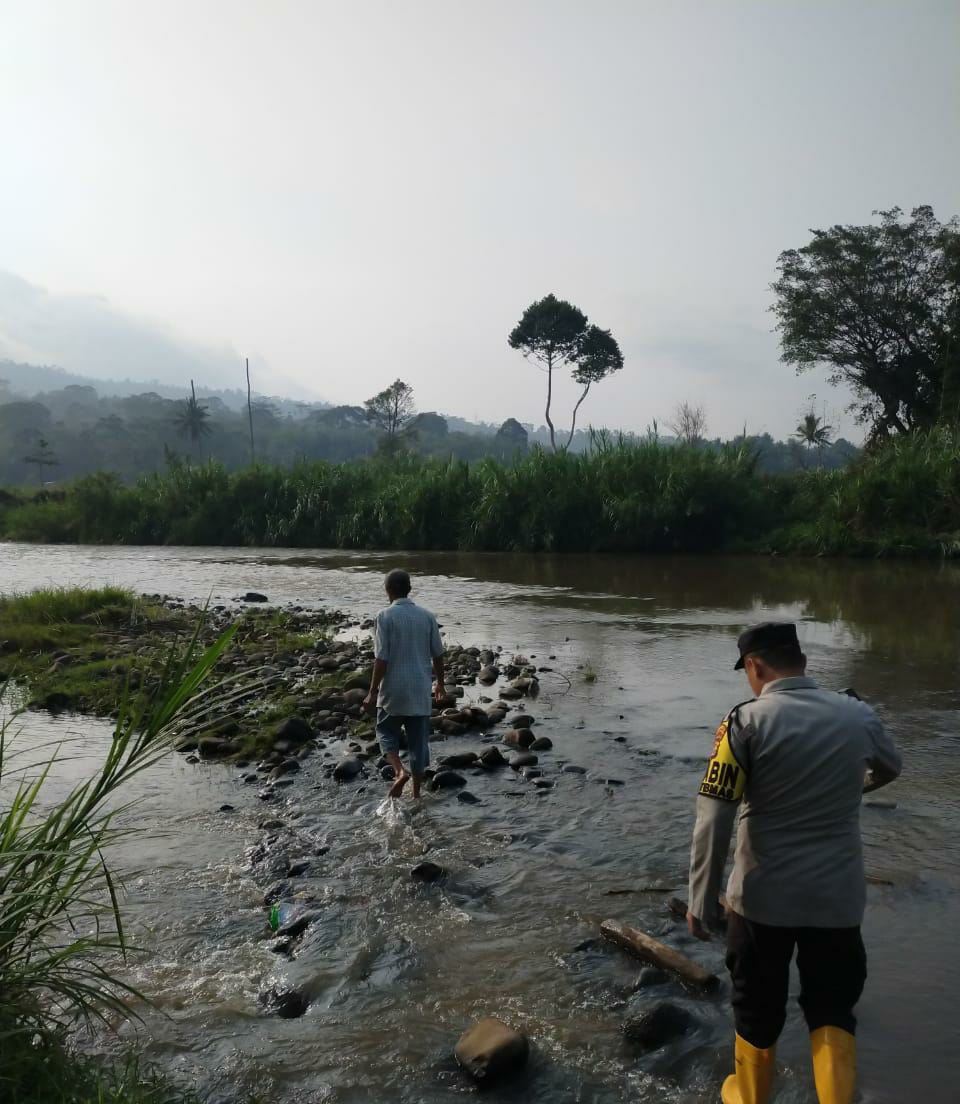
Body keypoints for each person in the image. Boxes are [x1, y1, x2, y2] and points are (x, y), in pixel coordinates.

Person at [686, 622, 902, 1104]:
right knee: (832, 1010)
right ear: (800, 659)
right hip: (838, 899)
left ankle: (750, 1095)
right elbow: (891, 767)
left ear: (756, 666)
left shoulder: (743, 722)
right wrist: (853, 791)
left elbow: (715, 815)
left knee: (756, 1009)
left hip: (762, 899)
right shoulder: (857, 714)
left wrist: (701, 899)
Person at [363, 568, 445, 799]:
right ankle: (416, 795)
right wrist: (440, 684)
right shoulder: (428, 616)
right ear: (409, 590)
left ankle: (400, 771)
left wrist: (371, 692)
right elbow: (438, 654)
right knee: (419, 743)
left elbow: (382, 658)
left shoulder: (384, 616)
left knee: (386, 731)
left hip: (393, 691)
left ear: (388, 590)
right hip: (420, 689)